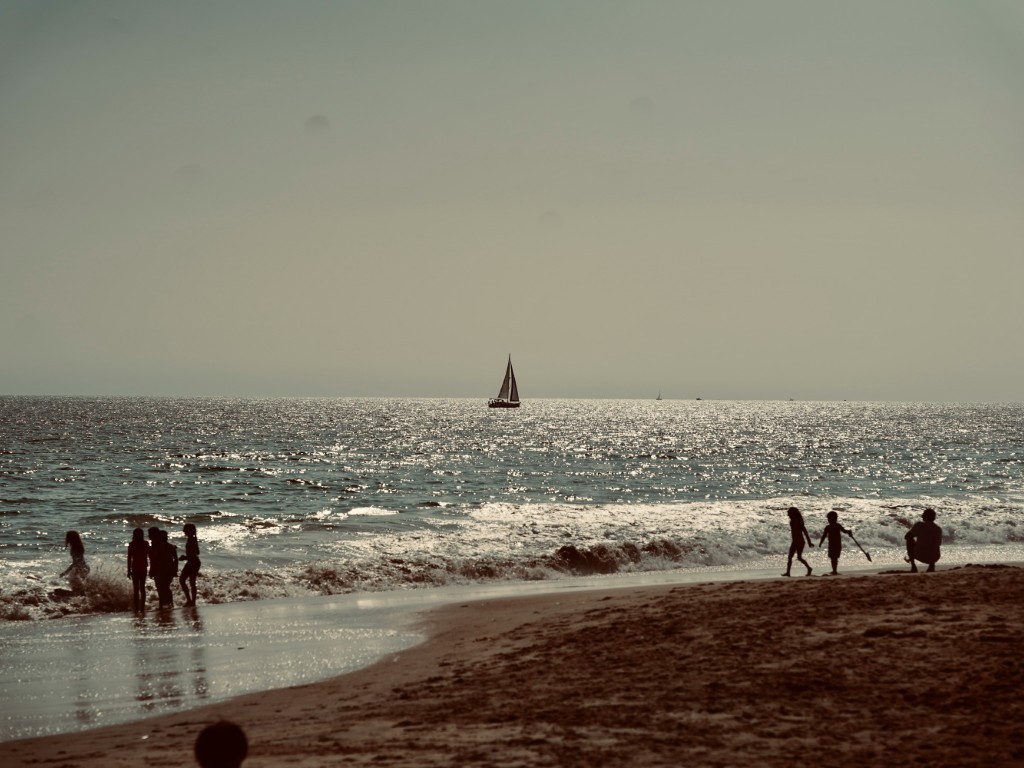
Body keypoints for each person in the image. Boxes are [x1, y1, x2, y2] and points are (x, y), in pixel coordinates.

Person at [149, 528, 179, 608]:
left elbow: (154, 560)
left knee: (161, 587)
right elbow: (176, 559)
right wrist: (175, 569)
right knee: (165, 587)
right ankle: (169, 604)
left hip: (161, 570)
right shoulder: (171, 547)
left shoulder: (159, 547)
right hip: (168, 570)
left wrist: (152, 570)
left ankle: (162, 604)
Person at [905, 508, 942, 573]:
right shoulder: (938, 529)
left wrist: (916, 540)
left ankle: (913, 566)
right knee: (932, 545)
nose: (922, 516)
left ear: (925, 516)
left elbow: (907, 536)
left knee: (909, 539)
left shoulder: (919, 525)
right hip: (935, 557)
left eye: (923, 515)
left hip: (920, 555)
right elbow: (938, 543)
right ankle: (932, 565)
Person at [818, 510, 853, 575]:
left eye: (829, 518)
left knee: (833, 558)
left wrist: (849, 532)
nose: (828, 520)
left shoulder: (830, 527)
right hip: (835, 544)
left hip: (834, 544)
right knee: (834, 558)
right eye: (828, 518)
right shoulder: (834, 526)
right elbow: (844, 531)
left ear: (833, 519)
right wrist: (849, 532)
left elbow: (824, 536)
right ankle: (834, 570)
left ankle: (834, 571)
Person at [782, 507, 813, 577]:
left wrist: (809, 542)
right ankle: (788, 572)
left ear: (793, 514)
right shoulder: (792, 521)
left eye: (789, 514)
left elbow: (805, 531)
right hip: (795, 541)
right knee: (795, 557)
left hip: (799, 541)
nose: (788, 515)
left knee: (794, 557)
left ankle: (788, 572)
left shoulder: (798, 521)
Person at [126, 527, 150, 612]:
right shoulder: (145, 543)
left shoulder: (132, 544)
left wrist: (129, 570)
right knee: (142, 588)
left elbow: (129, 559)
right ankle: (141, 609)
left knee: (136, 589)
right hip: (142, 568)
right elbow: (149, 556)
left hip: (136, 568)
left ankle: (137, 609)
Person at [179, 523, 201, 606]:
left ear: (189, 530)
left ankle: (189, 600)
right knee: (192, 582)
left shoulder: (191, 540)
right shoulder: (194, 539)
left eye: (185, 529)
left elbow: (192, 556)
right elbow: (197, 552)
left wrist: (184, 557)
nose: (183, 530)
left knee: (182, 580)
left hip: (192, 562)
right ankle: (192, 601)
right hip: (196, 562)